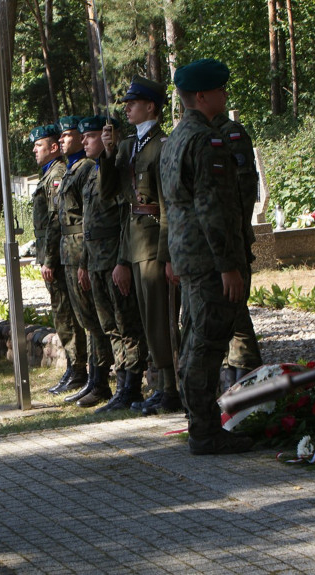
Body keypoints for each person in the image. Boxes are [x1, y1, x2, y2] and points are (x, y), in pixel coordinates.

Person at [160, 59, 252, 455]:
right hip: (208, 258)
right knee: (207, 343)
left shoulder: (175, 139)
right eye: (219, 90)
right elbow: (211, 209)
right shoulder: (205, 141)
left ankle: (201, 424)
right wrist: (228, 266)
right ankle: (204, 430)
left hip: (187, 255)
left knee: (195, 336)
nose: (224, 95)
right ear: (201, 96)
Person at [101, 76, 180, 415]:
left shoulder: (162, 145)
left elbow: (166, 206)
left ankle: (170, 387)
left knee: (161, 319)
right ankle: (160, 386)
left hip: (152, 243)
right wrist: (107, 153)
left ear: (151, 106)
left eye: (133, 103)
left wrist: (167, 255)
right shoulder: (127, 146)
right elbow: (110, 194)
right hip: (134, 243)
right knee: (147, 321)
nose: (127, 108)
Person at [76, 115, 151, 412]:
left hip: (114, 259)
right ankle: (121, 384)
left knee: (126, 324)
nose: (85, 142)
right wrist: (84, 262)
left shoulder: (119, 170)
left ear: (110, 137)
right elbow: (88, 224)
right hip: (96, 260)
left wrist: (123, 260)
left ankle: (131, 386)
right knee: (110, 327)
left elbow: (125, 221)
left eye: (91, 136)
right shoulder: (96, 173)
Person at [55, 115, 117, 410]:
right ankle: (94, 378)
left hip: (87, 249)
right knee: (87, 320)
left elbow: (88, 217)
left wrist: (83, 259)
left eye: (74, 136)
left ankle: (100, 378)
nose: (68, 140)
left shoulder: (90, 169)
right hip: (77, 250)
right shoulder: (77, 170)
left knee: (96, 320)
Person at [29, 123, 87, 395]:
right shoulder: (48, 175)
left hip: (60, 253)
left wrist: (49, 259)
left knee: (67, 314)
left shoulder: (57, 174)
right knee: (61, 313)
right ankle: (73, 369)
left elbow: (55, 220)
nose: (34, 150)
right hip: (52, 253)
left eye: (39, 145)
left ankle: (78, 369)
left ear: (53, 148)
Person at [212, 113, 263, 388]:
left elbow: (243, 192)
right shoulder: (194, 133)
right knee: (219, 316)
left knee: (236, 313)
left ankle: (248, 382)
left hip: (230, 240)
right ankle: (229, 382)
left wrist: (233, 238)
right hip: (207, 244)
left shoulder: (230, 133)